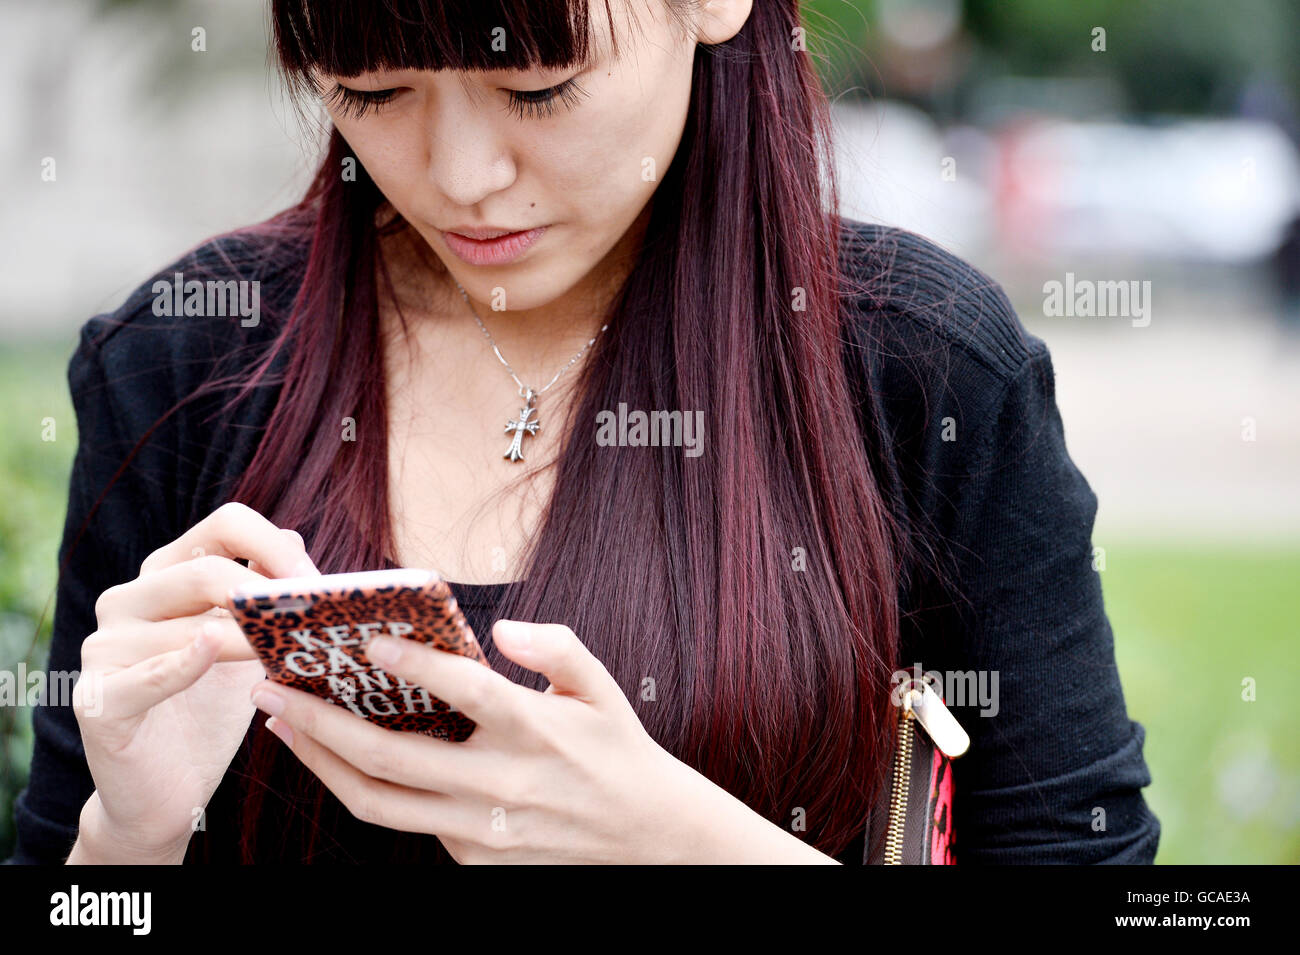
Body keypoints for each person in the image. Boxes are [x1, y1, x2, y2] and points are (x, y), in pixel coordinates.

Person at [8, 0, 1159, 864]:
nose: (463, 176)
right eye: (374, 89)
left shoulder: (919, 369)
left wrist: (687, 842)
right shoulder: (184, 362)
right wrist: (128, 837)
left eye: (537, 87)